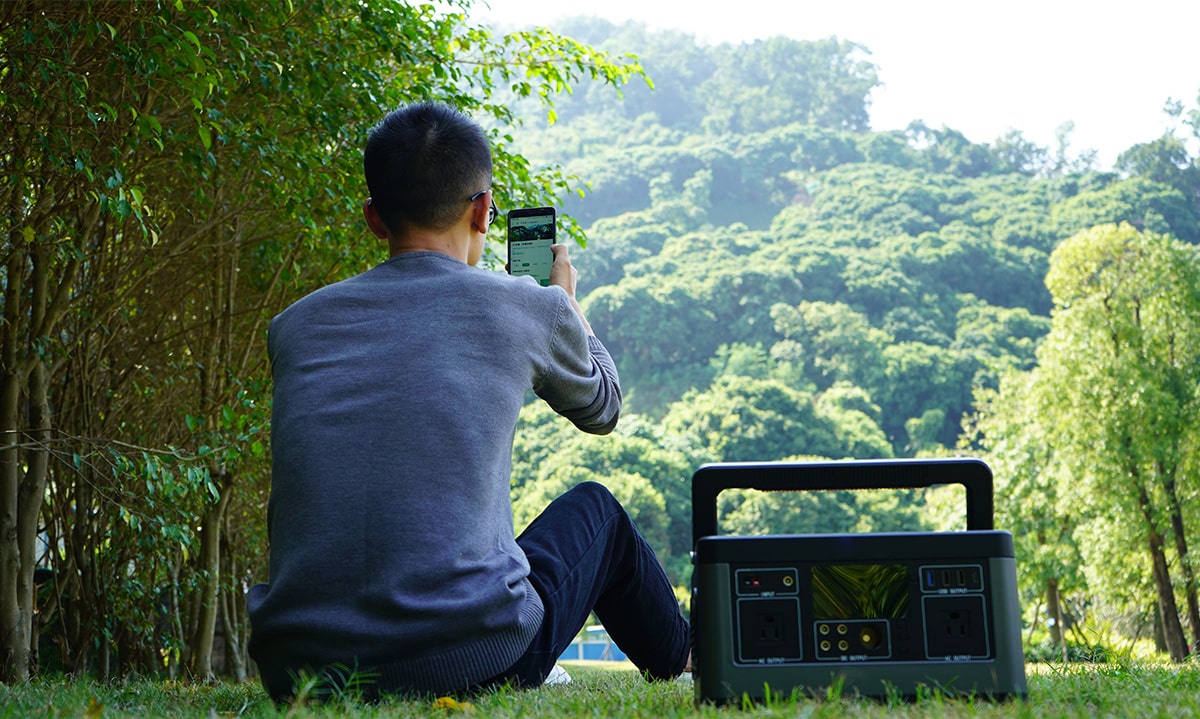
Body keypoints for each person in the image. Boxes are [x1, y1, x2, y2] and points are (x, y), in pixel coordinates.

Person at [246, 101, 691, 701]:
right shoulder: (524, 304)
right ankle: (686, 657)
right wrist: (566, 304)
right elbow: (604, 407)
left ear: (374, 218)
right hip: (468, 655)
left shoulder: (294, 325)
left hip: (297, 669)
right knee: (599, 513)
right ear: (483, 211)